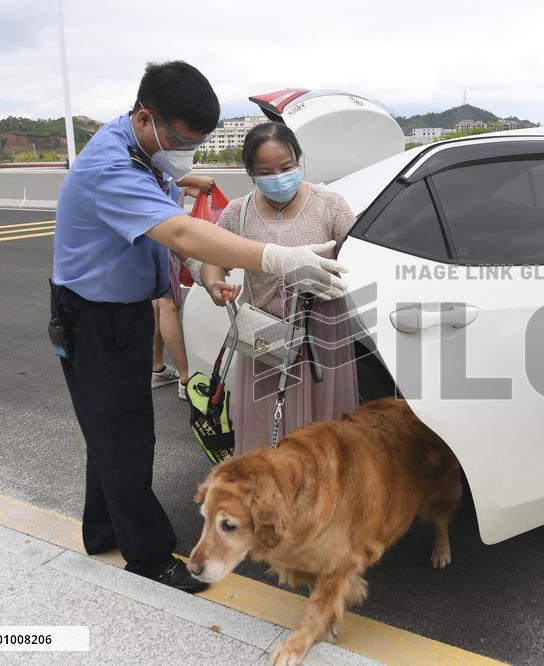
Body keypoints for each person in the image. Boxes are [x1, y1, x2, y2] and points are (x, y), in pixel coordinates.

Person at [50, 61, 346, 593]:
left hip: (120, 310)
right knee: (125, 436)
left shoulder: (143, 152)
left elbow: (169, 218)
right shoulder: (110, 167)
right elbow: (183, 233)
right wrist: (278, 257)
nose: (185, 153)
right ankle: (148, 556)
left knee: (109, 430)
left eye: (196, 144)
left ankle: (103, 530)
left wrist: (195, 244)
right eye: (181, 141)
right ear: (146, 118)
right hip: (95, 315)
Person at [200, 123, 359, 456]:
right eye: (266, 172)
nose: (279, 177)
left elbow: (360, 256)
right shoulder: (238, 212)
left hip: (321, 334)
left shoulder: (330, 205)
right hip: (265, 337)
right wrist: (215, 284)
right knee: (265, 423)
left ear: (298, 161)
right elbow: (213, 259)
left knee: (323, 428)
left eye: (286, 167)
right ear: (251, 173)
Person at [151, 174, 216, 400]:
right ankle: (186, 378)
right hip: (163, 243)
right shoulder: (153, 166)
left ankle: (156, 367)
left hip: (151, 247)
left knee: (158, 304)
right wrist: (192, 180)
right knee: (169, 305)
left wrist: (185, 188)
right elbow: (156, 175)